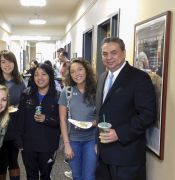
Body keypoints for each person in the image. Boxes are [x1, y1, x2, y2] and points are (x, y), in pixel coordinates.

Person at [95, 37, 156, 180]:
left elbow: (147, 115)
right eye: (105, 54)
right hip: (104, 157)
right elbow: (102, 111)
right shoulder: (102, 77)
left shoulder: (139, 78)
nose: (109, 57)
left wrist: (119, 133)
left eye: (113, 53)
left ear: (123, 53)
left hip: (127, 159)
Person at [0, 50, 26, 180]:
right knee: (1, 163)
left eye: (10, 61)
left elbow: (24, 105)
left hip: (15, 127)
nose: (7, 65)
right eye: (3, 62)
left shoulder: (20, 82)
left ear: (14, 63)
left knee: (13, 160)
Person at [15, 63, 60, 180]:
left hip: (48, 144)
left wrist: (47, 119)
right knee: (31, 176)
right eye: (36, 75)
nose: (40, 78)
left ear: (50, 76)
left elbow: (61, 122)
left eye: (44, 74)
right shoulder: (26, 94)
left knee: (46, 175)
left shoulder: (57, 96)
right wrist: (19, 140)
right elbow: (20, 118)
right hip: (29, 144)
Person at [59, 58, 97, 180]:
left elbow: (103, 116)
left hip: (92, 140)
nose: (77, 74)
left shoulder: (97, 90)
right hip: (73, 140)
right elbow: (62, 119)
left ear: (86, 70)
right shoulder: (67, 91)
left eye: (80, 69)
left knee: (89, 176)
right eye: (73, 72)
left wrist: (92, 124)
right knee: (77, 176)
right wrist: (66, 144)